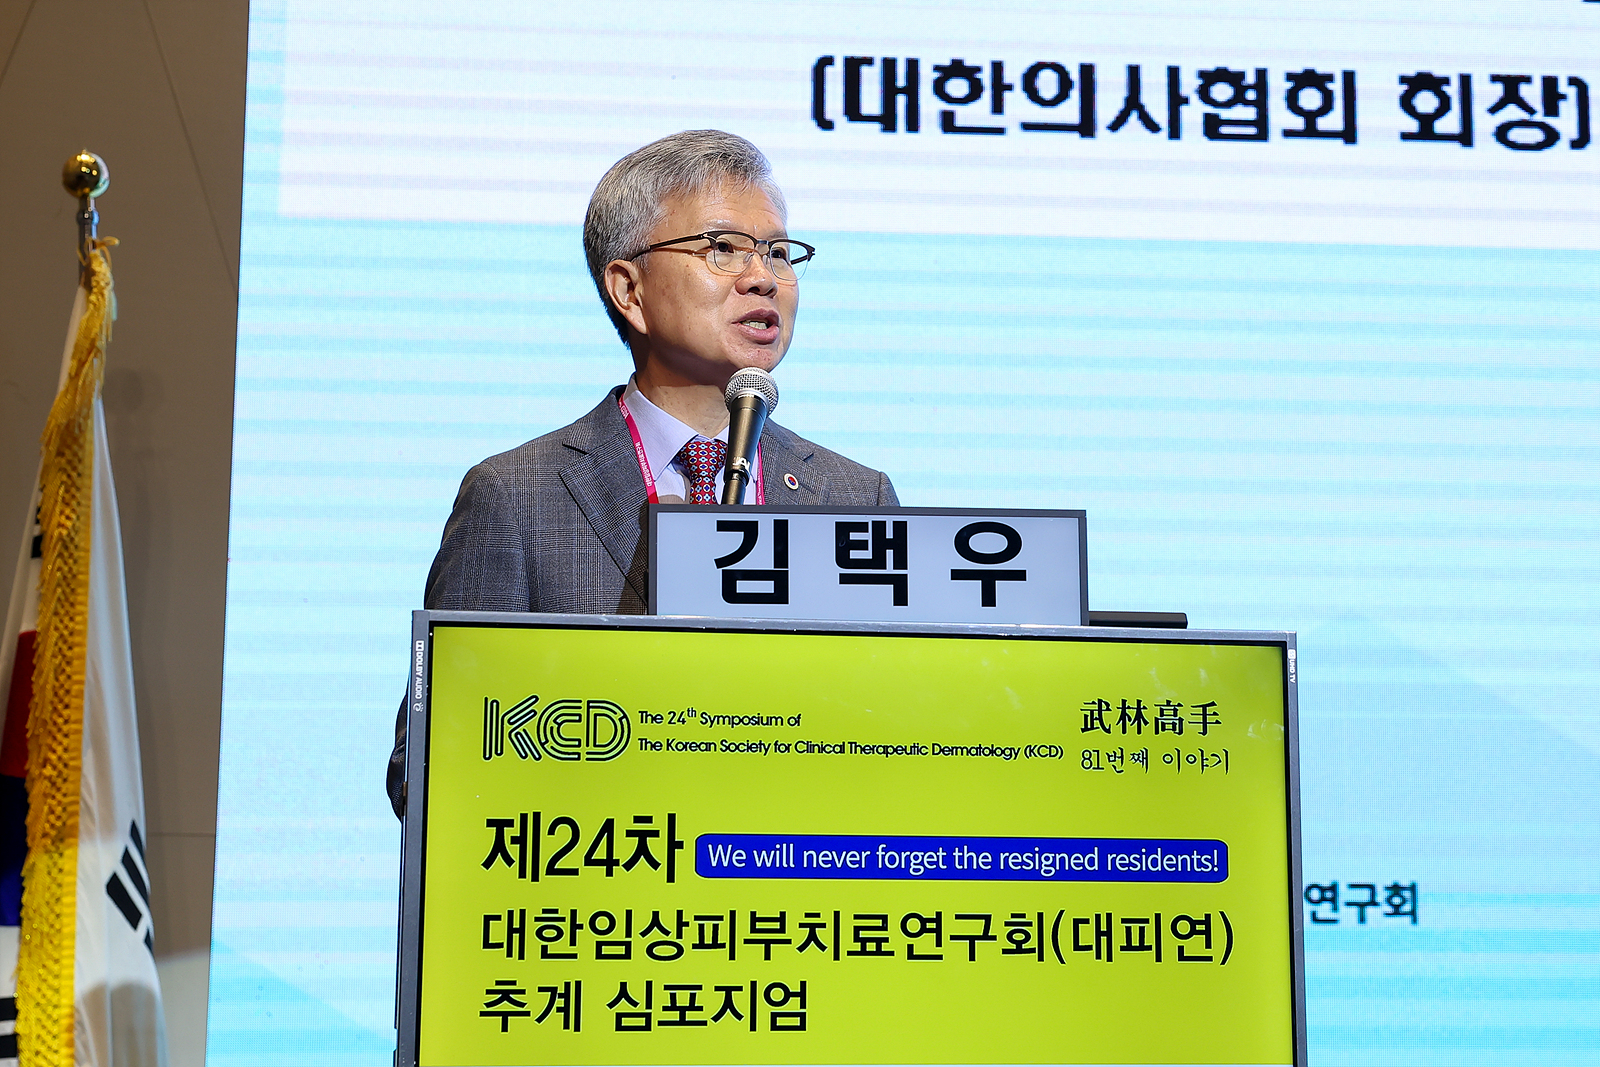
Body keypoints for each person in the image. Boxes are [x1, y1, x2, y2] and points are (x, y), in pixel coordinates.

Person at [387, 130, 898, 814]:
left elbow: (899, 732)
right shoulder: (517, 497)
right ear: (629, 290)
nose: (763, 277)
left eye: (778, 252)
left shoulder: (855, 496)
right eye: (722, 248)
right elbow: (427, 768)